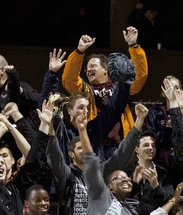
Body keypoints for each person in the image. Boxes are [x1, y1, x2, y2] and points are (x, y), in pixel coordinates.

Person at [61, 27, 149, 157]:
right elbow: (69, 80)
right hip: (94, 144)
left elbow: (140, 76)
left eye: (93, 66)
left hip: (119, 145)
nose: (88, 70)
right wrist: (79, 51)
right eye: (86, 68)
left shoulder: (121, 87)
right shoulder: (85, 91)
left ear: (105, 70)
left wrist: (134, 46)